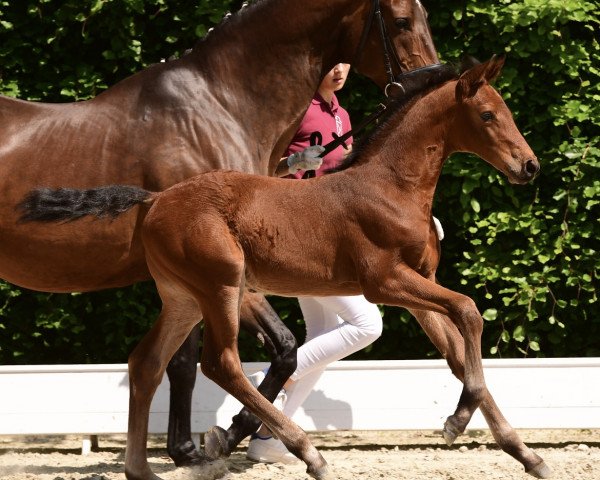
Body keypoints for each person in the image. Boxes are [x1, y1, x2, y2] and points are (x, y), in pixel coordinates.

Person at [246, 63, 384, 464]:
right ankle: (265, 382)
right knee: (366, 324)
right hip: (299, 233)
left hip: (330, 234)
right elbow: (253, 166)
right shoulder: (295, 108)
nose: (340, 70)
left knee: (323, 335)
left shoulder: (341, 112)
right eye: (333, 63)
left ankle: (268, 439)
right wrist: (290, 166)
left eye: (346, 63)